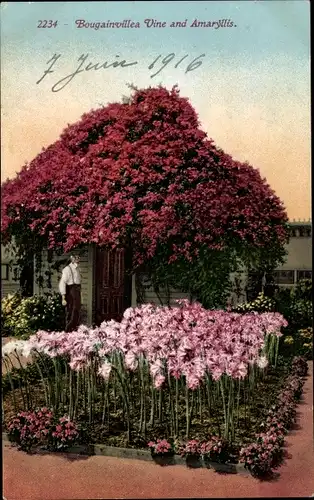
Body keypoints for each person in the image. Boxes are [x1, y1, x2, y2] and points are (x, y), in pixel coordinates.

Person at [59, 255, 81, 332]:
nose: (78, 259)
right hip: (71, 292)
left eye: (78, 258)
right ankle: (67, 331)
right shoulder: (67, 270)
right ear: (72, 260)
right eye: (76, 258)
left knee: (77, 310)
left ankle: (73, 329)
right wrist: (63, 297)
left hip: (77, 291)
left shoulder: (77, 269)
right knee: (71, 311)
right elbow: (62, 283)